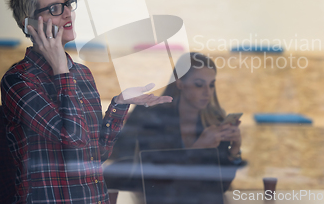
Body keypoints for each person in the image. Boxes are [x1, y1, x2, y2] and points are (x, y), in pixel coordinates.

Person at [0, 0, 172, 204]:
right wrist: (61, 68)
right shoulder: (19, 81)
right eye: (55, 8)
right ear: (29, 25)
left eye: (67, 4)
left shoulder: (81, 74)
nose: (68, 13)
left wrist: (119, 105)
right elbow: (73, 138)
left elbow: (95, 155)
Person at [104, 52, 244, 193]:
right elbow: (157, 181)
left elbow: (220, 187)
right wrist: (198, 148)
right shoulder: (152, 116)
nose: (208, 92)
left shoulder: (214, 120)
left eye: (212, 85)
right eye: (199, 85)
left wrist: (234, 150)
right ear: (180, 83)